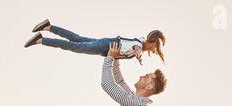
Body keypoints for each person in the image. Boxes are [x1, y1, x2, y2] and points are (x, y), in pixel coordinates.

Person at [24, 19, 166, 65]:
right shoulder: (139, 45)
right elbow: (136, 48)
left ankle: (48, 26)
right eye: (156, 48)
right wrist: (138, 55)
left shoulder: (139, 40)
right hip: (104, 46)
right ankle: (40, 40)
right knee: (74, 46)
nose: (154, 51)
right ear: (154, 43)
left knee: (76, 39)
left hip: (105, 44)